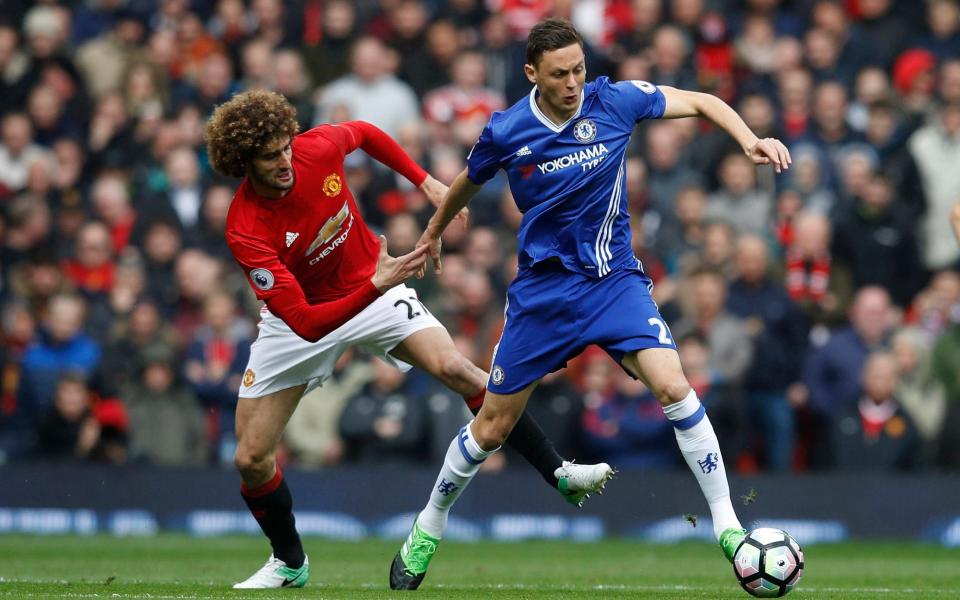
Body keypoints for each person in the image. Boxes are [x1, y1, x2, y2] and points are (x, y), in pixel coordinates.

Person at [391, 18, 792, 590]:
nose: (575, 82)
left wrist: (748, 137)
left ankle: (727, 527)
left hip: (614, 283)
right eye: (561, 74)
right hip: (543, 295)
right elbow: (466, 183)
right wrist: (432, 231)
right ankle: (428, 525)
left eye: (579, 69)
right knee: (492, 428)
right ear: (533, 74)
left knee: (675, 386)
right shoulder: (506, 131)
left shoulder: (615, 100)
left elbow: (701, 101)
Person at [204, 89, 612, 589]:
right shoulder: (244, 227)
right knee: (250, 458)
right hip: (305, 319)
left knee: (459, 370)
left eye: (286, 146)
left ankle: (559, 474)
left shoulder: (315, 149)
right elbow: (307, 323)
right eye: (270, 157)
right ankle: (290, 563)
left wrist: (426, 183)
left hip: (372, 288)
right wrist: (378, 283)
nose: (286, 160)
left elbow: (366, 132)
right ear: (245, 163)